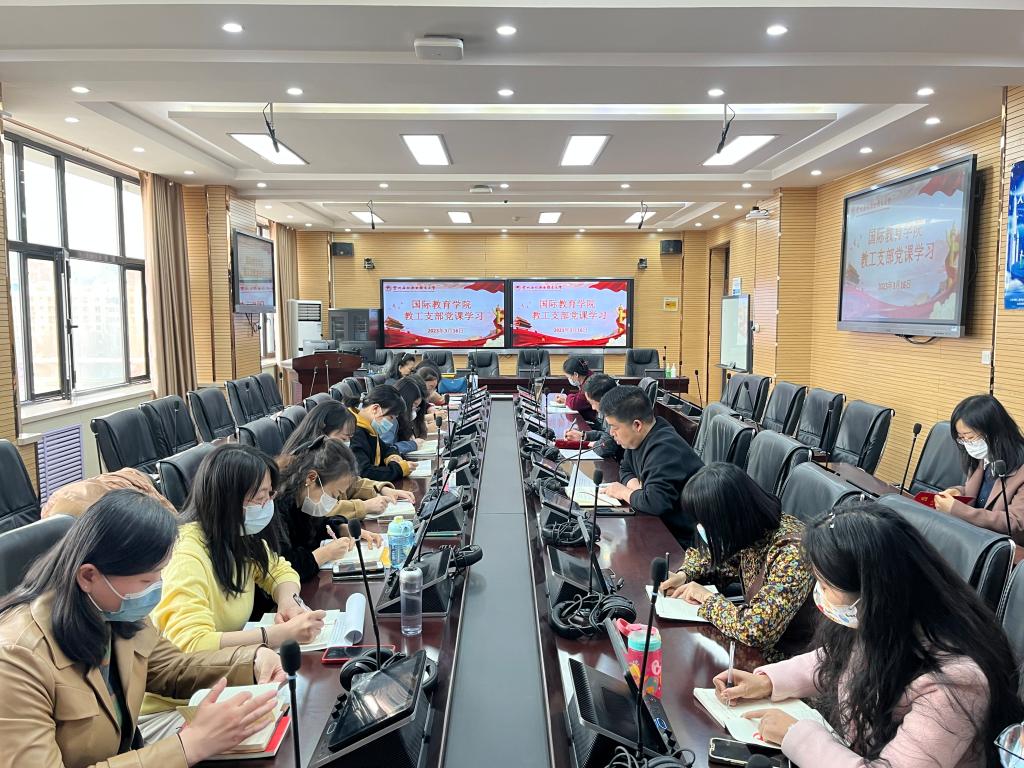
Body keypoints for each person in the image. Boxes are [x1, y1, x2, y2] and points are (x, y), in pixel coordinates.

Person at [713, 500, 1024, 768]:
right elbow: (835, 658)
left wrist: (796, 736)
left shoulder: (955, 683)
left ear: (874, 594)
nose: (818, 594)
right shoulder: (885, 621)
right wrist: (768, 681)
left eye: (826, 586)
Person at [0, 490, 287, 767]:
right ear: (88, 576)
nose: (156, 589)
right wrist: (189, 745)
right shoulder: (16, 658)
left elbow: (170, 668)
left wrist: (252, 660)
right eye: (146, 581)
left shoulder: (112, 607)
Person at [150, 444, 326, 658]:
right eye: (259, 498)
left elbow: (279, 570)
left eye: (269, 494)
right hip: (197, 674)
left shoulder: (239, 535)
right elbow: (191, 644)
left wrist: (288, 601)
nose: (267, 504)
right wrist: (279, 634)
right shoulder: (185, 556)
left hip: (233, 663)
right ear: (227, 500)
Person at [659, 463, 817, 658]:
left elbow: (756, 631)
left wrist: (706, 598)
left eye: (706, 523)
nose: (701, 529)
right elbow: (716, 561)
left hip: (786, 660)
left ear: (729, 519)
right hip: (750, 650)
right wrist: (685, 574)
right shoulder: (752, 532)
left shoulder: (792, 552)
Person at [599, 385, 703, 542]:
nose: (611, 433)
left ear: (637, 425)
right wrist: (639, 491)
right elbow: (625, 469)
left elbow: (655, 503)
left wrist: (623, 492)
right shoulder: (639, 439)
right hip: (660, 525)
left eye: (614, 427)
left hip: (681, 539)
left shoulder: (665, 449)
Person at [273, 436, 384, 582]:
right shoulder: (275, 506)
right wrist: (324, 554)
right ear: (311, 478)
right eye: (333, 495)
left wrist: (342, 528)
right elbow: (280, 567)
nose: (334, 501)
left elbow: (317, 527)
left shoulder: (302, 498)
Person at [280, 400, 415, 519]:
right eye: (343, 438)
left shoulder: (331, 457)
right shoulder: (305, 463)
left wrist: (380, 488)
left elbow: (348, 483)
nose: (347, 444)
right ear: (323, 432)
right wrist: (363, 506)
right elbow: (321, 507)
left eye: (349, 439)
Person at [935, 394, 1024, 543]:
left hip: (1002, 546)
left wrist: (957, 509)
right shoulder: (983, 456)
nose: (967, 444)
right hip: (972, 536)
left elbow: (1015, 522)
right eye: (961, 438)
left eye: (970, 437)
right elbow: (981, 494)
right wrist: (959, 492)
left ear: (995, 431)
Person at [348, 385, 415, 482]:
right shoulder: (354, 432)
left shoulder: (369, 428)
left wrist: (392, 457)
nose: (391, 424)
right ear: (375, 409)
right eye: (391, 417)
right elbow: (365, 472)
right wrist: (399, 470)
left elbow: (387, 449)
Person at [563, 372, 622, 460]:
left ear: (604, 400)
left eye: (592, 403)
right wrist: (584, 435)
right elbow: (606, 434)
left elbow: (607, 447)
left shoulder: (618, 414)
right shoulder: (611, 409)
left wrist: (592, 444)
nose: (593, 408)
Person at [390, 375, 430, 456]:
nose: (414, 411)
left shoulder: (402, 420)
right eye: (413, 405)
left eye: (417, 407)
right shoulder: (391, 418)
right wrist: (411, 445)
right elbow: (386, 450)